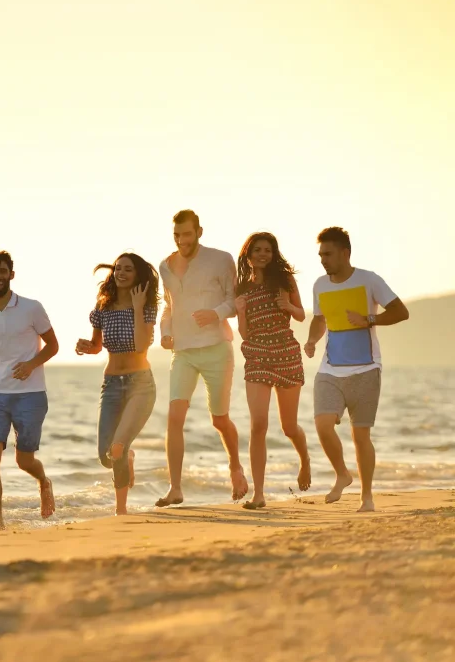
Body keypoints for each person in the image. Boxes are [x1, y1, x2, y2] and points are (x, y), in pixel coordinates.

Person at [304, 227, 409, 512]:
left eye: (328, 254)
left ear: (345, 253)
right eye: (320, 254)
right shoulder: (319, 284)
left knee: (360, 436)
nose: (322, 260)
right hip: (330, 369)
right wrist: (312, 339)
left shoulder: (369, 280)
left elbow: (401, 312)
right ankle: (342, 474)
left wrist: (369, 319)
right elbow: (319, 318)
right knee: (323, 425)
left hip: (366, 368)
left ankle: (366, 497)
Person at [156, 210, 248, 506]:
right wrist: (165, 331)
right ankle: (175, 488)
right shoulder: (165, 266)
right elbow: (168, 306)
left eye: (187, 234)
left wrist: (215, 314)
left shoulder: (221, 259)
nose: (182, 240)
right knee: (174, 418)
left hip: (216, 349)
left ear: (199, 232)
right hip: (182, 353)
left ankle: (235, 466)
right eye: (177, 235)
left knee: (219, 420)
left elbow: (234, 301)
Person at [0, 249, 59, 530]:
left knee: (23, 460)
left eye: (3, 271)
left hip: (31, 395)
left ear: (11, 275)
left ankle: (44, 481)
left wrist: (31, 365)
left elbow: (53, 346)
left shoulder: (31, 308)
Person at [75, 253, 160, 515]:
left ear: (138, 276)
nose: (121, 273)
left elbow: (141, 345)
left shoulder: (145, 306)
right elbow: (98, 345)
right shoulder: (103, 306)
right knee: (106, 456)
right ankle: (127, 457)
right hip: (111, 384)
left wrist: (136, 306)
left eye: (128, 269)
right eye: (118, 268)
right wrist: (85, 347)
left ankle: (120, 510)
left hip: (140, 385)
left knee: (118, 448)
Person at [234, 232, 311, 509]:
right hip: (256, 355)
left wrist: (287, 305)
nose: (262, 254)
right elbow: (244, 334)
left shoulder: (285, 280)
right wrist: (241, 312)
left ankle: (304, 460)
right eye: (257, 250)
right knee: (258, 426)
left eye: (267, 250)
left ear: (273, 253)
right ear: (248, 255)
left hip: (286, 353)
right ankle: (259, 494)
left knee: (289, 427)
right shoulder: (241, 288)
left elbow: (301, 315)